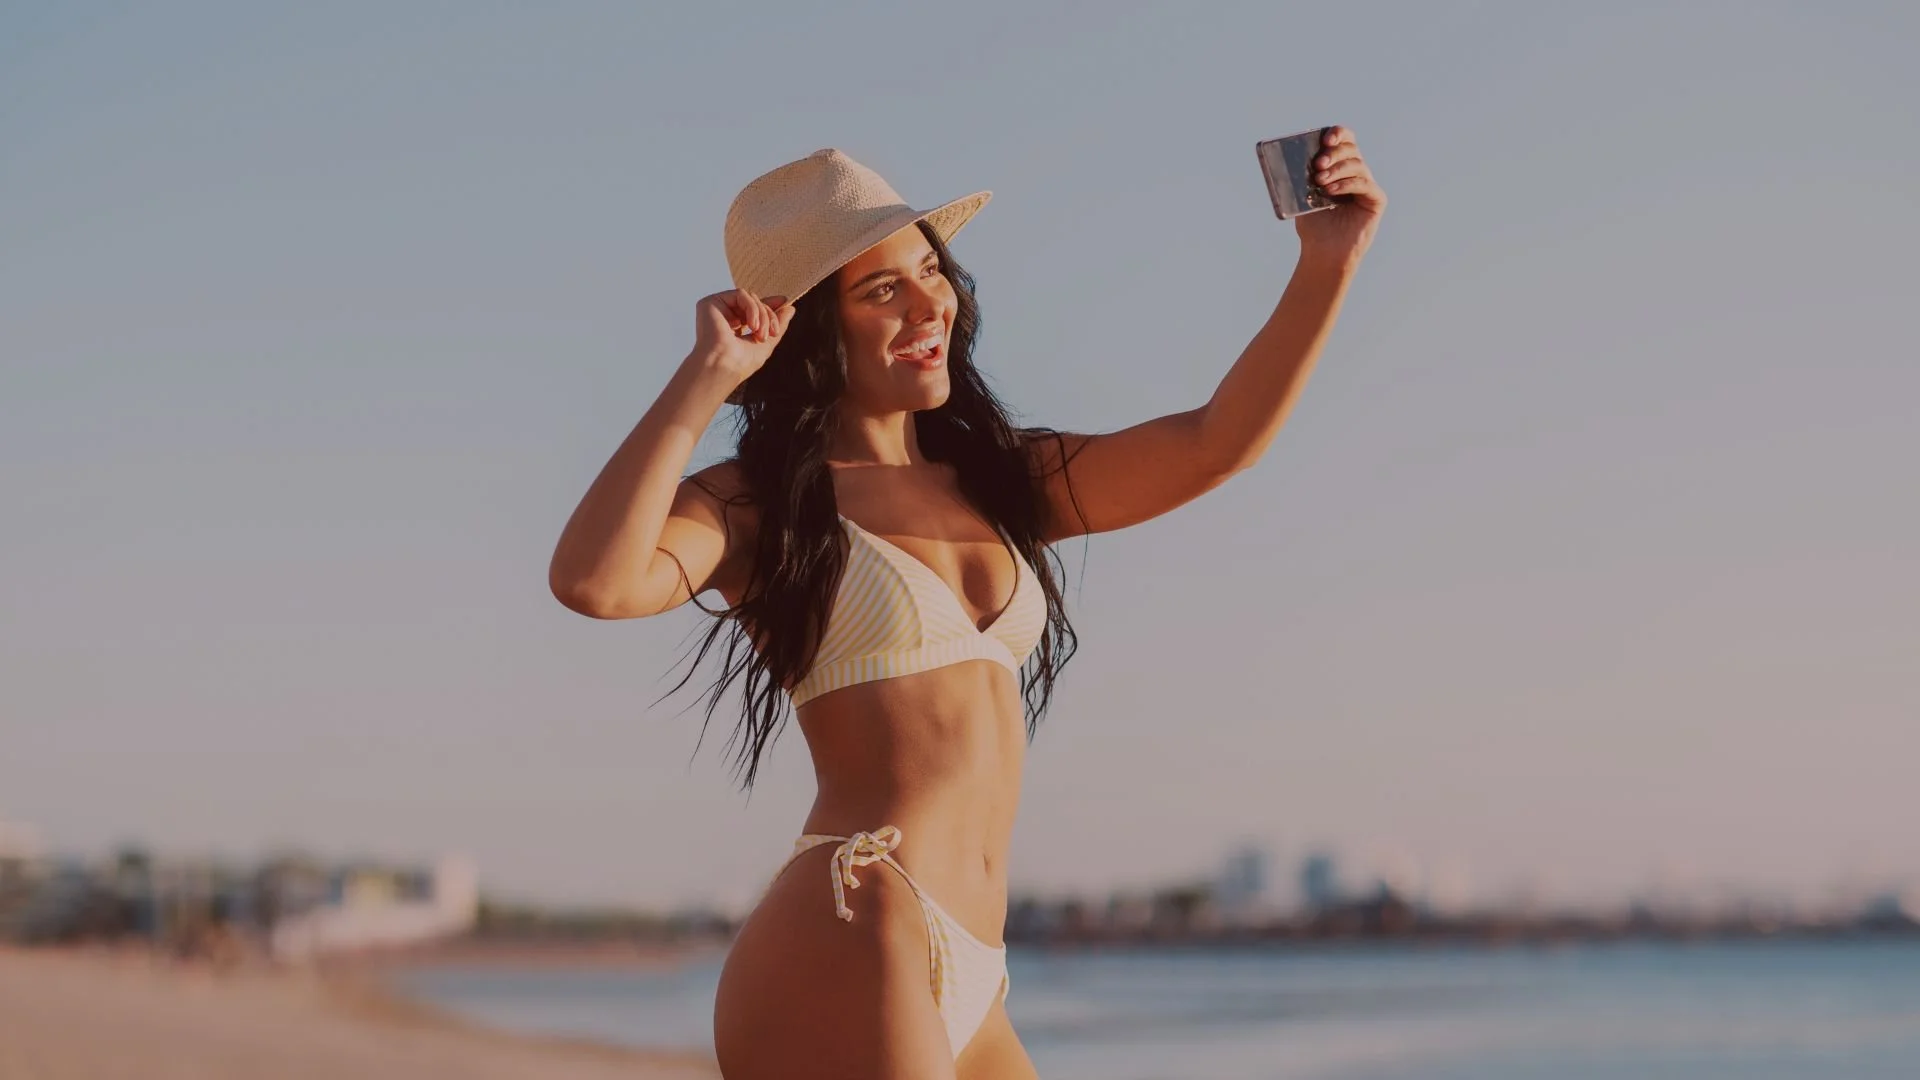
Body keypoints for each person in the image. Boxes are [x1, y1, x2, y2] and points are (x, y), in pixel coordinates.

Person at [549, 133, 1384, 1078]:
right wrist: (705, 381)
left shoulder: (1001, 480)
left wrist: (1329, 260)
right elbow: (596, 581)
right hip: (855, 922)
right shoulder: (756, 504)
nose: (927, 304)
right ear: (809, 328)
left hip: (976, 968)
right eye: (881, 291)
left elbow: (1213, 443)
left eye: (930, 273)